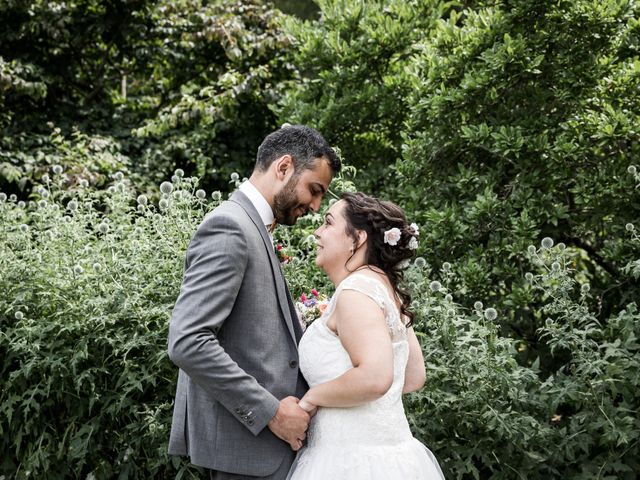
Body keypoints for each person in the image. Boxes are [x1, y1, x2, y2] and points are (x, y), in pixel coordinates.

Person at [167, 125, 341, 480]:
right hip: (248, 449)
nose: (316, 205)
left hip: (265, 452)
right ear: (283, 167)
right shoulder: (229, 227)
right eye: (315, 189)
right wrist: (272, 413)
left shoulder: (254, 226)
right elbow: (188, 341)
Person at [286, 192, 445, 480]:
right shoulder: (385, 290)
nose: (317, 232)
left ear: (357, 239)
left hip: (349, 464)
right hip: (396, 458)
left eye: (328, 223)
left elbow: (374, 377)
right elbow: (412, 377)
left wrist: (313, 398)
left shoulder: (356, 291)